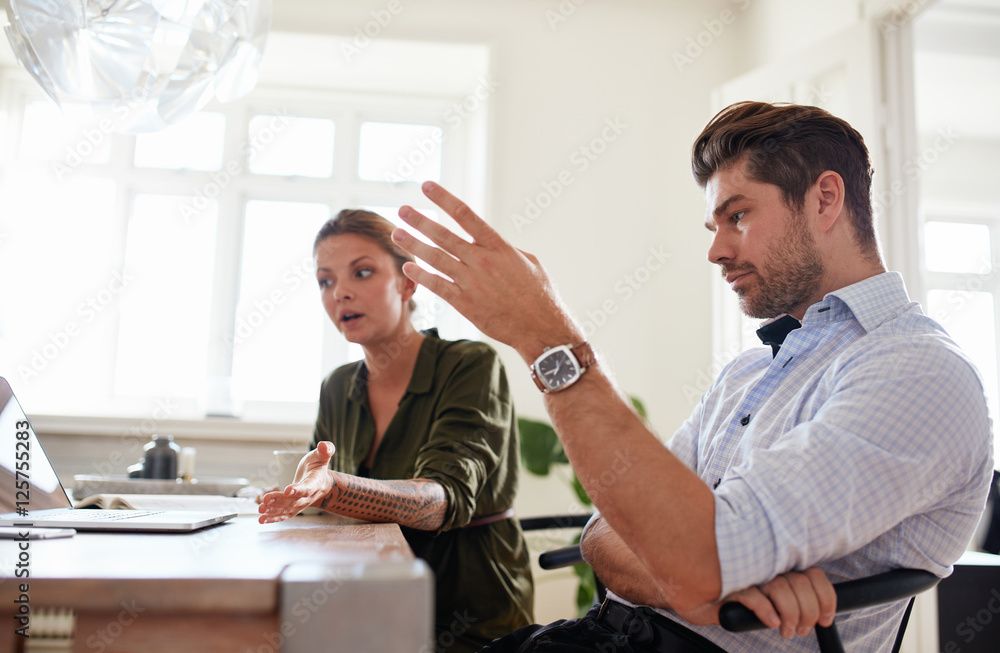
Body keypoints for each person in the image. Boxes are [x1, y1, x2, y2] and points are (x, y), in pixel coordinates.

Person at [387, 101, 995, 651]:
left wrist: (547, 339)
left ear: (825, 199)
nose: (716, 251)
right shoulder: (751, 370)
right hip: (603, 637)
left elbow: (691, 556)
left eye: (737, 216)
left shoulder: (919, 371)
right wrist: (705, 579)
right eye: (715, 226)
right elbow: (606, 534)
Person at [258, 209, 534, 652]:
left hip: (468, 617)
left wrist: (331, 487)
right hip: (364, 601)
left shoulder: (470, 365)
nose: (340, 293)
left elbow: (440, 502)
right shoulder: (337, 386)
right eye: (325, 281)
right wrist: (300, 495)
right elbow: (316, 498)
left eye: (362, 272)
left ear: (408, 283)